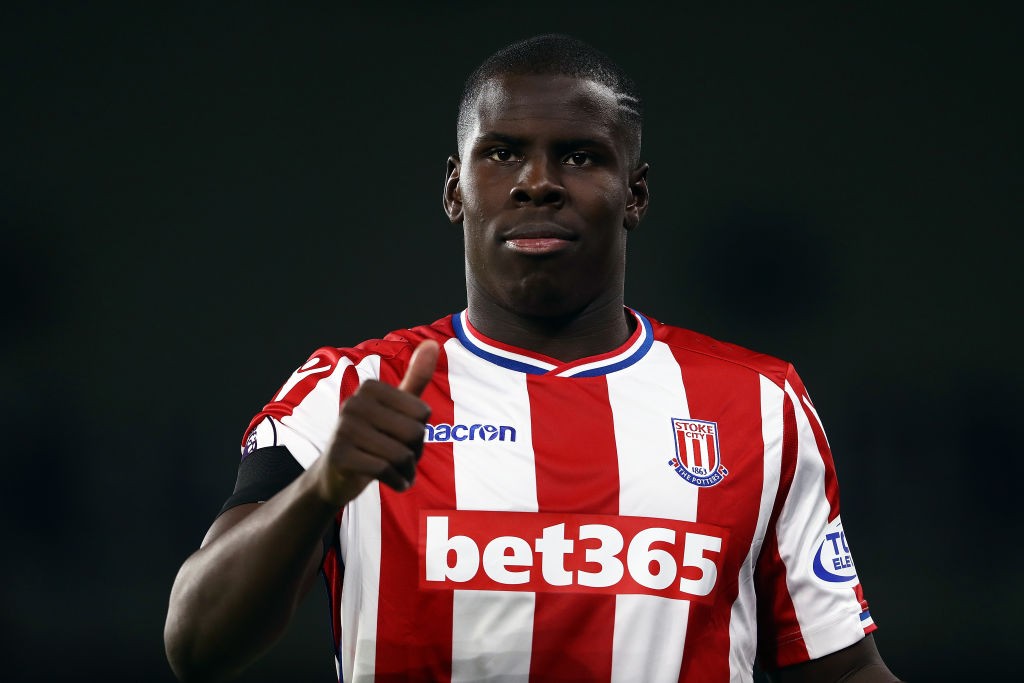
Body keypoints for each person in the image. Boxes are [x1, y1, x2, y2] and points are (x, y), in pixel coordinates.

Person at [164, 34, 900, 683]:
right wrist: (322, 487)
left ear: (635, 193)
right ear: (455, 189)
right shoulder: (349, 394)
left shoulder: (761, 405)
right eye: (502, 152)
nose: (537, 181)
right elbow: (195, 643)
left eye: (580, 155)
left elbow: (841, 669)